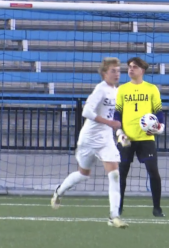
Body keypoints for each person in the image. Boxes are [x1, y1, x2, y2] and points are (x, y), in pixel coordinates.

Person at [50, 57, 129, 229]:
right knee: (83, 174)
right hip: (88, 139)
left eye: (118, 70)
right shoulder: (100, 90)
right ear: (104, 74)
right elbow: (86, 111)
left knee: (115, 174)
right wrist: (110, 123)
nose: (117, 74)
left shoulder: (118, 91)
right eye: (113, 71)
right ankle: (59, 191)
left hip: (106, 139)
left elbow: (114, 119)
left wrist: (120, 132)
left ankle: (113, 216)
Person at [114, 57, 166, 217]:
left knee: (153, 172)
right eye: (129, 67)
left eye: (134, 67)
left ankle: (157, 208)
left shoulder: (152, 89)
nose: (130, 69)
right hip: (126, 138)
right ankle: (118, 208)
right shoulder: (122, 89)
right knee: (120, 173)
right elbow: (117, 113)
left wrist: (160, 129)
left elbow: (159, 112)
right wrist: (119, 132)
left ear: (142, 70)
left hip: (146, 138)